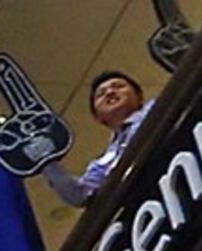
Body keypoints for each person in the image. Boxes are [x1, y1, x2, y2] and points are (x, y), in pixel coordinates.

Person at [38, 68, 148, 207]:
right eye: (100, 94)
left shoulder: (160, 107)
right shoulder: (101, 165)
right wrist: (45, 160)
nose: (110, 92)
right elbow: (79, 196)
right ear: (98, 118)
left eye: (119, 86)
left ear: (139, 96)